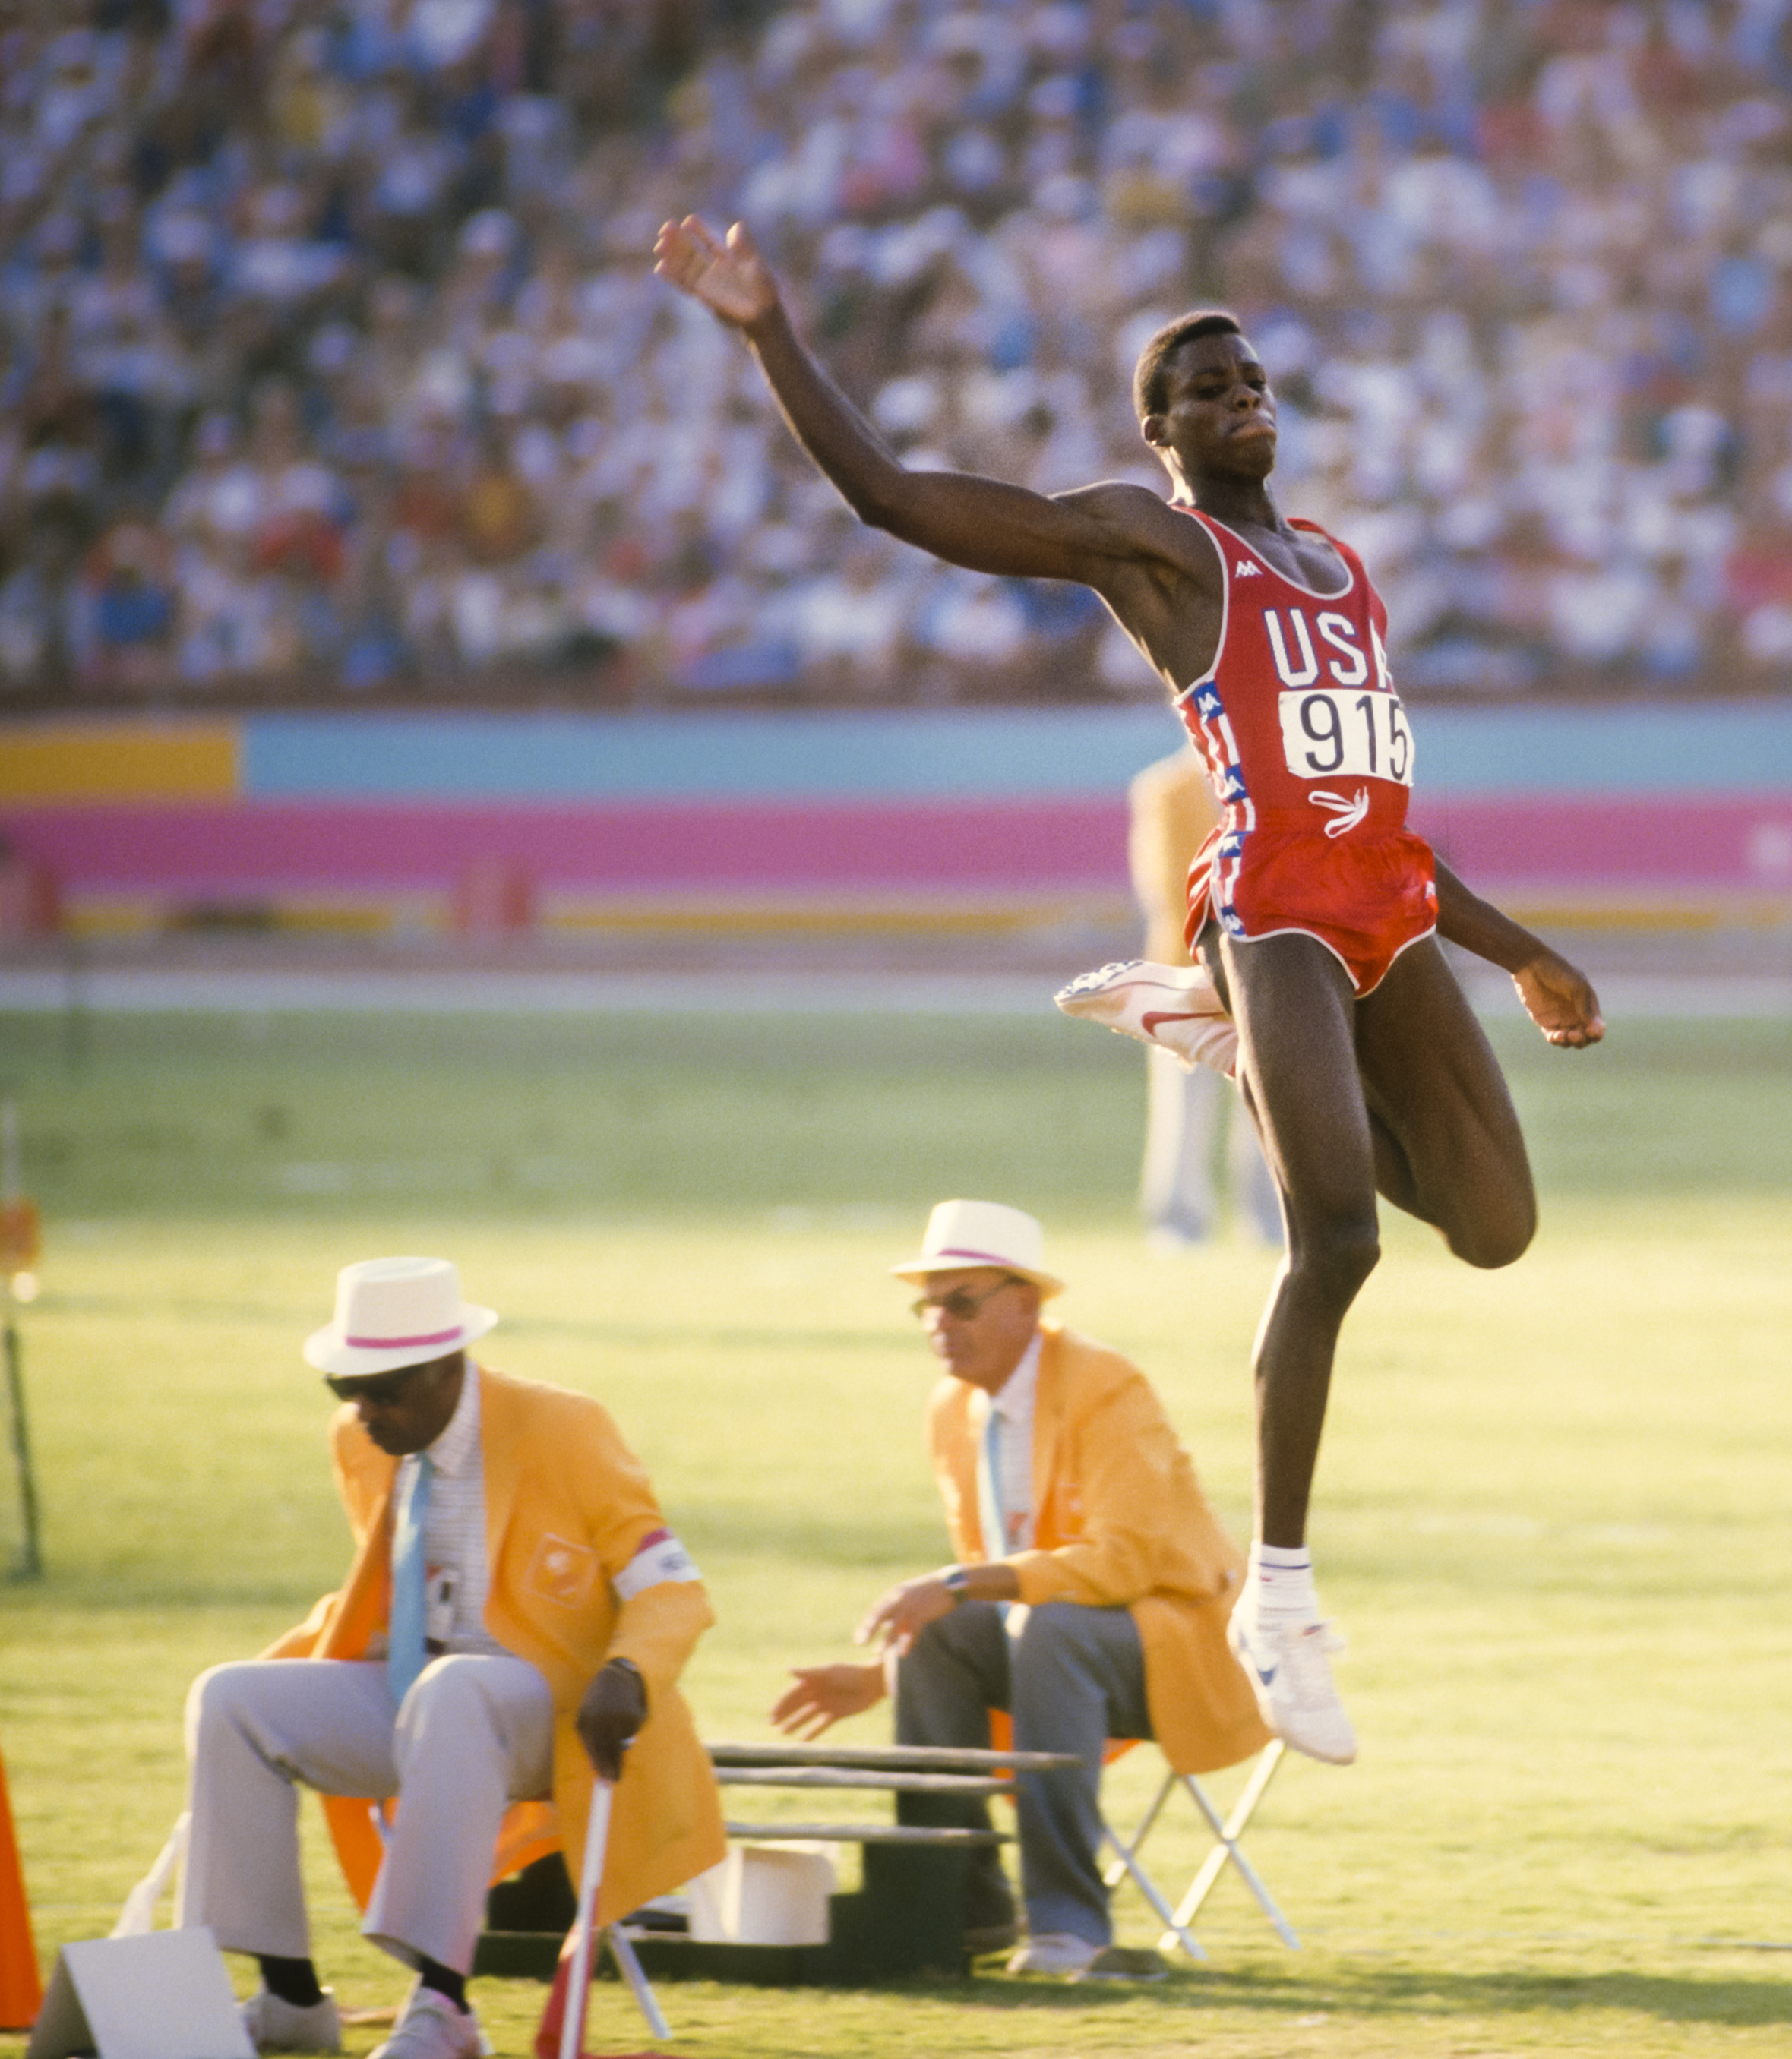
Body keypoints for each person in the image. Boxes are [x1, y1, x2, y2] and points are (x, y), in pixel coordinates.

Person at [656, 218, 1605, 1765]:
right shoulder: (1162, 547)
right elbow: (897, 498)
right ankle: (1279, 1600)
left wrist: (1520, 949)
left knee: (1496, 1225)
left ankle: (1202, 1041)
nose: (1242, 395)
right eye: (1204, 385)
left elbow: (1377, 802)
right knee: (1339, 1235)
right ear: (1156, 432)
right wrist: (769, 332)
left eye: (1253, 376)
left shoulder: (1342, 571)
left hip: (1387, 901)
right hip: (1275, 906)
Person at [182, 1257, 722, 2059]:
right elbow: (377, 1593)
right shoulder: (366, 1441)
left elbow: (672, 1587)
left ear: (446, 1368)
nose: (361, 1410)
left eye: (383, 1389)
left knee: (457, 1685)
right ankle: (290, 1997)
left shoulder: (566, 1427)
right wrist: (290, 1660)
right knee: (229, 1697)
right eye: (344, 1387)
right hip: (429, 1698)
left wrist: (629, 1670)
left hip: (566, 1716)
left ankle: (444, 2005)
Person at [768, 1199, 1270, 1978]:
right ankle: (957, 1909)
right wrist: (879, 1675)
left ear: (1025, 1303)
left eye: (960, 1300)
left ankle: (1070, 1925)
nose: (940, 1321)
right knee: (939, 1632)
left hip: (1181, 1645)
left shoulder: (1107, 1384)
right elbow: (984, 1599)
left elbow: (1123, 1564)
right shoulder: (952, 1408)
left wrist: (958, 1581)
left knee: (1050, 1626)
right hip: (1055, 1650)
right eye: (928, 1304)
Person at [1127, 744, 1282, 1249]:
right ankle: (1178, 1220)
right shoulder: (1164, 790)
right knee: (1182, 1107)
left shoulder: (1271, 784)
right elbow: (1167, 888)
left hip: (1262, 971)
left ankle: (1266, 1219)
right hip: (1185, 971)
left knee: (1266, 1106)